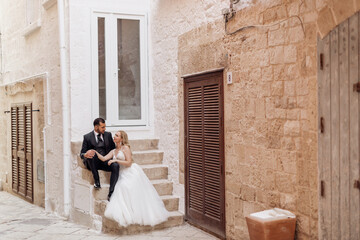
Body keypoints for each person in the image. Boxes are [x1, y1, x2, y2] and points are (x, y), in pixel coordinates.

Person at [94, 130, 170, 227]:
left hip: (130, 172)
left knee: (125, 186)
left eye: (117, 136)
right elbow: (104, 158)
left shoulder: (125, 148)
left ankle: (135, 213)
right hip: (122, 174)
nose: (114, 137)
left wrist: (116, 160)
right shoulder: (113, 151)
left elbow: (129, 163)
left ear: (121, 138)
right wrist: (95, 152)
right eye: (115, 135)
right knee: (120, 187)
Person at [80, 118, 118, 201]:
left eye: (105, 127)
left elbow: (114, 149)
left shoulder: (108, 135)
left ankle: (111, 193)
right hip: (93, 163)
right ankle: (97, 181)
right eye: (102, 127)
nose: (105, 129)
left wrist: (114, 159)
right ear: (96, 127)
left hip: (105, 160)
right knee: (91, 154)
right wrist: (85, 154)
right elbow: (81, 153)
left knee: (115, 165)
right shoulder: (87, 137)